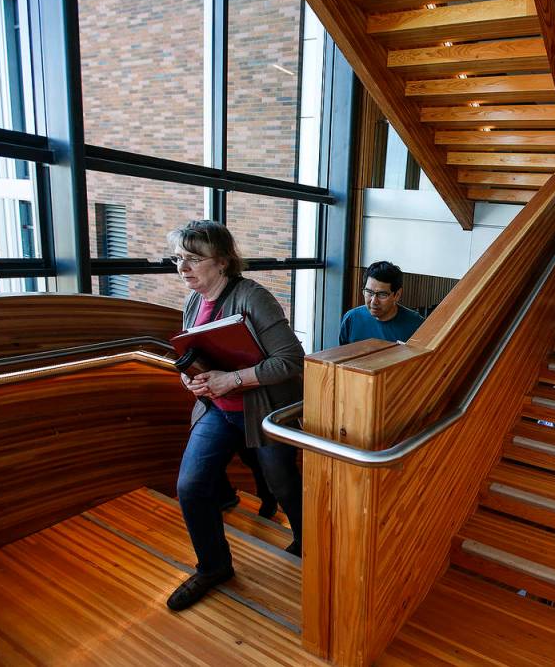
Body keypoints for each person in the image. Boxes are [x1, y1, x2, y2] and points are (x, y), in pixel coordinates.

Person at [165, 220, 305, 611]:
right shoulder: (193, 301)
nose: (183, 268)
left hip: (263, 411)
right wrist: (191, 380)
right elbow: (195, 356)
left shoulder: (253, 298)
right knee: (191, 487)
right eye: (178, 258)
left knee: (282, 484)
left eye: (193, 259)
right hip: (217, 409)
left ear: (224, 261)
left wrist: (233, 379)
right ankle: (214, 567)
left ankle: (307, 540)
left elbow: (292, 361)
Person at [339, 260, 424, 345]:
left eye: (382, 294)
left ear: (397, 295)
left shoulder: (417, 325)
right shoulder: (351, 318)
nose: (374, 301)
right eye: (369, 292)